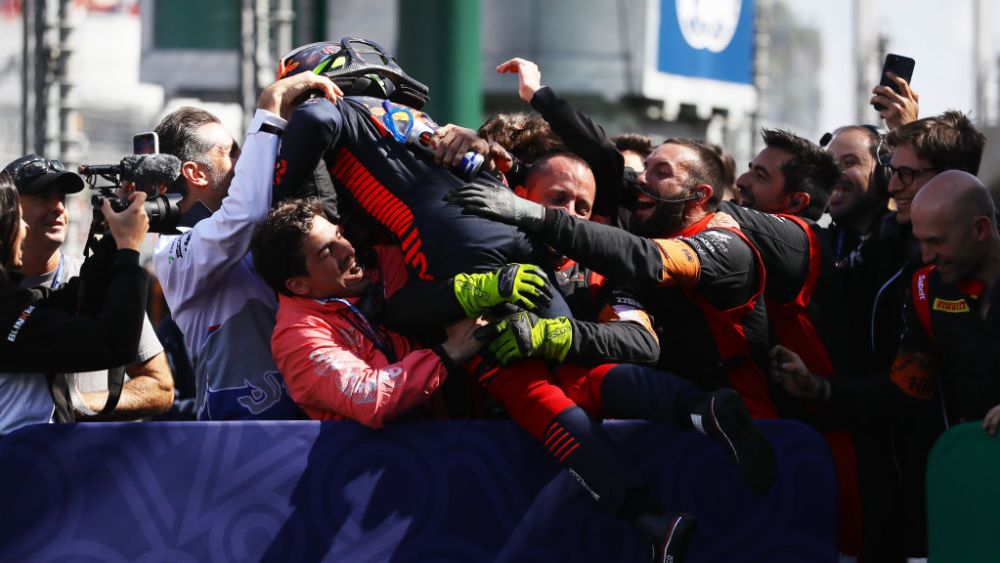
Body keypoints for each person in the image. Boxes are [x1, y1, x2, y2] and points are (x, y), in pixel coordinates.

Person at [773, 170, 1000, 561]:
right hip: (977, 483)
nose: (925, 255)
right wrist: (820, 389)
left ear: (981, 229)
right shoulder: (926, 289)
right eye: (920, 241)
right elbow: (906, 388)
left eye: (936, 242)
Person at [271, 38, 573, 323]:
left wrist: (290, 203)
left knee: (394, 314)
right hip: (512, 225)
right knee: (566, 341)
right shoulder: (411, 115)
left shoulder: (330, 107)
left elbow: (314, 120)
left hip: (450, 237)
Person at [151, 71, 342, 420]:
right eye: (232, 152)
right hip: (237, 447)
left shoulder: (267, 216)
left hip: (315, 429)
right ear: (197, 174)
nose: (245, 162)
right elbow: (246, 215)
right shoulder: (171, 251)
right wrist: (269, 109)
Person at [250, 199, 484, 427]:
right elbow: (370, 399)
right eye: (327, 252)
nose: (348, 250)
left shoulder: (379, 263)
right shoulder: (297, 338)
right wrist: (449, 352)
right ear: (299, 285)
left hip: (458, 436)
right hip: (388, 463)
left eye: (339, 235)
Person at [0, 154, 173, 423]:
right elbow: (113, 342)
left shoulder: (13, 299)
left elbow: (73, 298)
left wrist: (113, 235)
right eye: (43, 196)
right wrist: (128, 248)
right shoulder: (7, 311)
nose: (58, 208)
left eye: (63, 199)